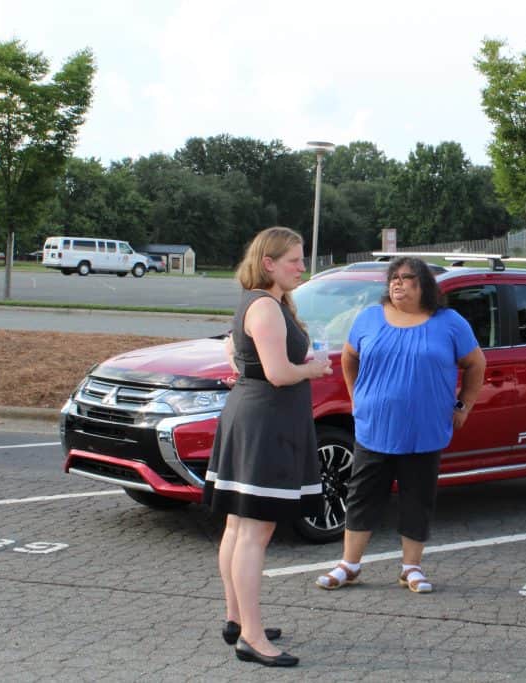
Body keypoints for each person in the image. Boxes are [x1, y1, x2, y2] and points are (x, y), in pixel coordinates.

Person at [315, 256, 485, 594]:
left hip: (425, 430)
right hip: (374, 427)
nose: (398, 283)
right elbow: (349, 356)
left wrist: (464, 405)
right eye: (394, 277)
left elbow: (476, 363)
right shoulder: (369, 318)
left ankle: (411, 568)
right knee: (362, 495)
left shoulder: (449, 322)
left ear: (424, 286)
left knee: (417, 498)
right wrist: (356, 397)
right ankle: (349, 564)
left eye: (407, 278)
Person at [203, 226, 332, 668]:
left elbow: (230, 348)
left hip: (254, 415)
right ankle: (252, 638)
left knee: (240, 527)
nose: (302, 267)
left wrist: (243, 366)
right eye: (294, 259)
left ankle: (237, 620)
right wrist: (313, 368)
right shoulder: (266, 307)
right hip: (266, 421)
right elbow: (278, 372)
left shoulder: (261, 303)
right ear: (269, 263)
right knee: (253, 531)